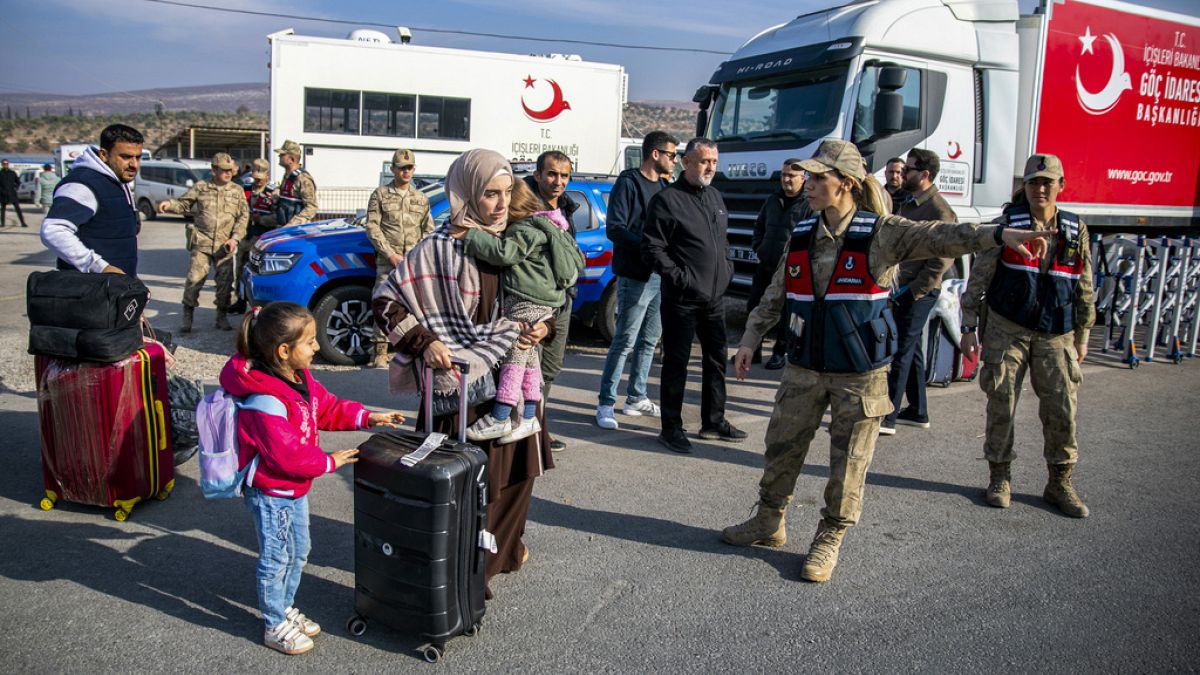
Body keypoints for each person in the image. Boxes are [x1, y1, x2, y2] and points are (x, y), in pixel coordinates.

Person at [721, 139, 1054, 583]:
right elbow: (776, 293)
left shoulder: (882, 232)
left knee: (850, 459)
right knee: (782, 445)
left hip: (859, 373)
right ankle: (769, 520)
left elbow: (940, 235)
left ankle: (831, 535)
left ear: (847, 184)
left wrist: (996, 235)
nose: (810, 185)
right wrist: (749, 338)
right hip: (805, 366)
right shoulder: (803, 233)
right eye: (811, 177)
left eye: (820, 178)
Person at [372, 148, 556, 596]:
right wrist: (425, 342)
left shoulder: (516, 240)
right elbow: (384, 302)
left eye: (507, 191)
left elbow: (550, 300)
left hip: (512, 383)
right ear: (466, 192)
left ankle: (504, 550)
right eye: (490, 193)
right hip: (461, 390)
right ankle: (465, 571)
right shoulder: (437, 247)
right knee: (470, 482)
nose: (499, 203)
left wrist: (542, 329)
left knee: (517, 475)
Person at [219, 301, 405, 655]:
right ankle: (274, 623)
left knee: (298, 551)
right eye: (310, 342)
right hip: (272, 491)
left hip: (293, 489)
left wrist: (369, 417)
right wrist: (329, 461)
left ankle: (285, 607)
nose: (317, 347)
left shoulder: (299, 378)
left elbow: (329, 408)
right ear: (284, 351)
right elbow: (286, 454)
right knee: (276, 558)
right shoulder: (265, 399)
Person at [960, 153, 1095, 518]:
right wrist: (968, 326)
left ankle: (1060, 481)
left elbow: (1083, 283)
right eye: (1033, 182)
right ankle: (1000, 476)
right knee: (1001, 404)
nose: (1040, 188)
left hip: (1057, 334)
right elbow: (980, 277)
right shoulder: (1008, 225)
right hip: (1008, 329)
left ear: (1060, 186)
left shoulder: (1074, 228)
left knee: (1061, 410)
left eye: (1047, 182)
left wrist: (1083, 333)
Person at [456, 179, 584, 444]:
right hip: (543, 301)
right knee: (529, 360)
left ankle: (501, 416)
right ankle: (528, 416)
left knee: (515, 354)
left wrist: (470, 235)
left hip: (527, 299)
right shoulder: (548, 223)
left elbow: (505, 254)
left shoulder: (525, 228)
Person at [641, 137, 747, 454]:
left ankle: (713, 421)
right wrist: (681, 278)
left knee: (716, 361)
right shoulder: (668, 200)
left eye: (714, 161)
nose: (710, 167)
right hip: (682, 298)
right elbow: (652, 248)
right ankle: (671, 428)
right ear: (686, 162)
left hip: (714, 298)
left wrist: (726, 268)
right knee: (677, 363)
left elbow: (721, 242)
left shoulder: (715, 196)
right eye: (704, 161)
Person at [594, 131, 677, 430]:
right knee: (625, 340)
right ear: (655, 154)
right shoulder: (628, 183)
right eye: (671, 154)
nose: (674, 160)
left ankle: (636, 397)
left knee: (649, 340)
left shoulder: (666, 186)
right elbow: (615, 228)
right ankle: (605, 403)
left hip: (659, 274)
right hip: (635, 274)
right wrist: (648, 247)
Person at [879, 149, 956, 436]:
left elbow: (943, 257)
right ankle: (917, 410)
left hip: (918, 291)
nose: (903, 173)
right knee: (912, 350)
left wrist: (916, 290)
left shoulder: (939, 210)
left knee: (900, 349)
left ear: (925, 175)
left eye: (909, 169)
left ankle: (886, 417)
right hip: (902, 287)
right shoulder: (911, 204)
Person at [159, 152, 249, 332]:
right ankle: (187, 315)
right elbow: (183, 204)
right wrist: (170, 204)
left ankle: (221, 316)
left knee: (225, 284)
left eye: (230, 170)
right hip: (202, 243)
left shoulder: (237, 191)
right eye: (223, 170)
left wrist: (235, 238)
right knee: (194, 280)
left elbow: (243, 216)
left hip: (225, 245)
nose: (228, 173)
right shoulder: (201, 188)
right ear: (214, 170)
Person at [523, 150, 576, 452]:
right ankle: (529, 429)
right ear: (538, 175)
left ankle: (540, 425)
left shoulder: (567, 208)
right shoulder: (525, 207)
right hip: (535, 301)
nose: (558, 181)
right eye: (552, 174)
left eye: (564, 175)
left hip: (564, 301)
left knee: (550, 369)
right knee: (527, 367)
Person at [41, 124, 144, 276]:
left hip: (115, 287)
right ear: (103, 155)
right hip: (90, 290)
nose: (134, 164)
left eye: (138, 157)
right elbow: (53, 230)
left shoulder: (116, 180)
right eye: (126, 157)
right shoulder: (83, 184)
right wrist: (98, 265)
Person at [364, 148, 434, 368]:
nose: (406, 172)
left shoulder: (421, 198)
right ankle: (379, 352)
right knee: (382, 303)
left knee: (414, 307)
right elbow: (373, 227)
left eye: (410, 168)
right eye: (401, 168)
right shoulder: (381, 194)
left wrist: (417, 256)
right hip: (388, 261)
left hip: (413, 264)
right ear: (393, 169)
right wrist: (390, 254)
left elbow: (428, 229)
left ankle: (411, 348)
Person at [747, 158, 809, 371]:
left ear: (803, 178)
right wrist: (759, 247)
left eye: (791, 175)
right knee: (755, 305)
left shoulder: (808, 204)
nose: (786, 179)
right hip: (765, 265)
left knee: (786, 314)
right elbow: (759, 226)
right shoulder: (772, 200)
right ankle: (752, 351)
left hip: (791, 270)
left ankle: (778, 353)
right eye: (783, 175)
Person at [231, 158, 277, 314]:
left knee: (258, 273)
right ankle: (240, 300)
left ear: (267, 175)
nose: (257, 181)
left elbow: (278, 218)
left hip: (262, 240)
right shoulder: (246, 189)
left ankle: (258, 305)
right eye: (255, 177)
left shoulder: (273, 192)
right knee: (240, 271)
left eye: (260, 178)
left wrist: (261, 219)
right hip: (246, 238)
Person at [275, 140, 319, 227]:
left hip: (296, 230)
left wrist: (292, 224)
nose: (279, 156)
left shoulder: (303, 178)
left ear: (292, 159)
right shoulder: (288, 176)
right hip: (283, 227)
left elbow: (311, 207)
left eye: (283, 154)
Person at [0, 159, 28, 227]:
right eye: (4, 164)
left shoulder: (12, 173)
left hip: (12, 194)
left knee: (18, 209)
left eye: (6, 164)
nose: (5, 165)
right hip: (3, 194)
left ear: (8, 164)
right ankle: (2, 223)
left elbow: (18, 182)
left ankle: (23, 222)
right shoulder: (0, 173)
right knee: (3, 209)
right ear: (2, 164)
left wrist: (15, 187)